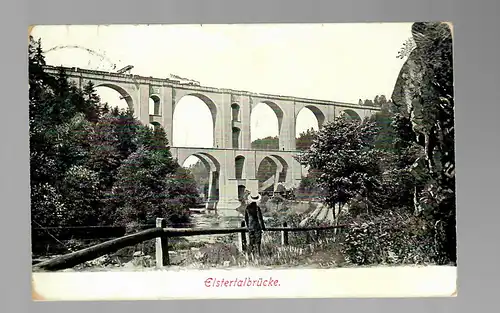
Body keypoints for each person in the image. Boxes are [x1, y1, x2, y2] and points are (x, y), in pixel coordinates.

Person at [244, 191, 266, 256]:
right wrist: (263, 228)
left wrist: (248, 227)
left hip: (250, 227)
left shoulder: (247, 208)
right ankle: (258, 254)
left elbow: (246, 219)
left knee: (251, 242)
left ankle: (252, 255)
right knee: (258, 242)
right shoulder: (257, 208)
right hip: (257, 227)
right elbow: (260, 219)